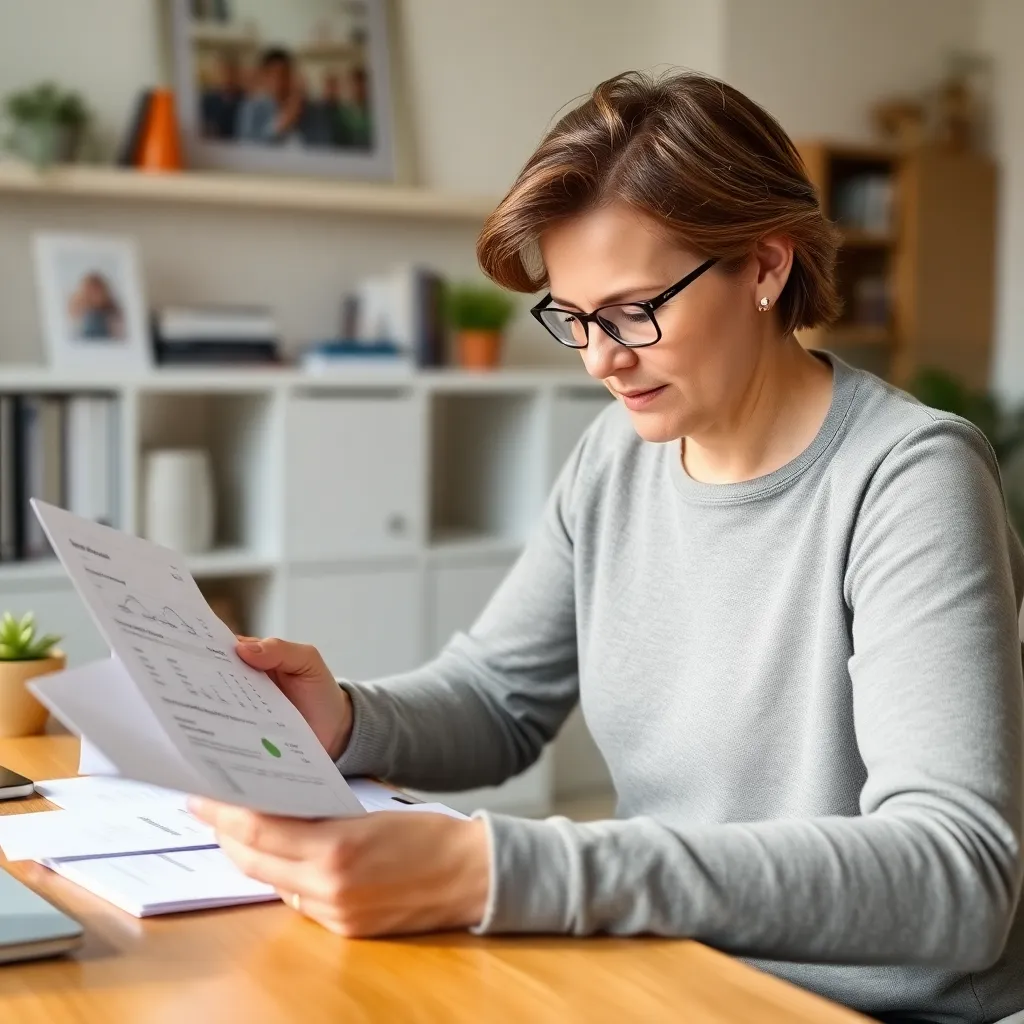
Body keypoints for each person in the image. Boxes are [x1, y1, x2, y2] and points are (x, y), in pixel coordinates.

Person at [188, 70, 1024, 1024]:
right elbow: (499, 697)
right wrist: (344, 719)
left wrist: (501, 867)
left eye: (632, 311)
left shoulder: (910, 479)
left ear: (764, 266)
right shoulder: (616, 458)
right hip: (674, 980)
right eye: (574, 319)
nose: (599, 360)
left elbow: (957, 874)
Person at [236, 47, 304, 144]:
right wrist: (281, 124)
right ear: (263, 76)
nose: (280, 81)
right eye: (274, 74)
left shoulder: (301, 107)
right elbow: (246, 144)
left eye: (285, 74)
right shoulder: (252, 108)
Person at [67, 272, 124, 340]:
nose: (93, 295)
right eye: (90, 291)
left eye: (96, 291)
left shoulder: (112, 314)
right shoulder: (80, 312)